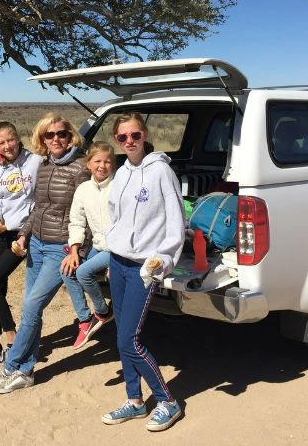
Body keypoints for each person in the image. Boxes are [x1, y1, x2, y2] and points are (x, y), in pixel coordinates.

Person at [0, 113, 90, 393]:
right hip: (33, 239)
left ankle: (10, 364)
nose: (55, 139)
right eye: (49, 136)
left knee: (29, 306)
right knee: (22, 304)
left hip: (59, 247)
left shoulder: (76, 168)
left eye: (61, 134)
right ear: (42, 139)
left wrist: (78, 248)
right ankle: (22, 367)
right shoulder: (46, 166)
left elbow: (87, 210)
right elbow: (36, 207)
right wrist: (21, 232)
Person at [101, 112, 186, 432]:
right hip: (119, 261)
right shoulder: (122, 172)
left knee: (129, 339)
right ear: (116, 140)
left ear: (145, 135)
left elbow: (176, 222)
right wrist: (113, 249)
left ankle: (167, 400)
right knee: (121, 337)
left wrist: (163, 260)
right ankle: (134, 401)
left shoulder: (161, 171)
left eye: (135, 136)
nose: (129, 142)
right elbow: (116, 216)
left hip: (143, 267)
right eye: (122, 138)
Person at [0, 121, 43, 369]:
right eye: (1, 143)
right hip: (2, 235)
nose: (7, 146)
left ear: (18, 138)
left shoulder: (34, 162)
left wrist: (20, 229)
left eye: (10, 140)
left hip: (24, 235)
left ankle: (12, 339)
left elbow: (40, 199)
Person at [60, 140, 116, 350]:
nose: (103, 166)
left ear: (113, 164)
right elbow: (76, 221)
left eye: (108, 161)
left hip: (116, 248)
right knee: (67, 270)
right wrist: (74, 250)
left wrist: (117, 260)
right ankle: (85, 318)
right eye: (98, 161)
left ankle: (102, 312)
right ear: (88, 164)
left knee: (83, 272)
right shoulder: (83, 189)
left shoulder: (118, 186)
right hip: (99, 245)